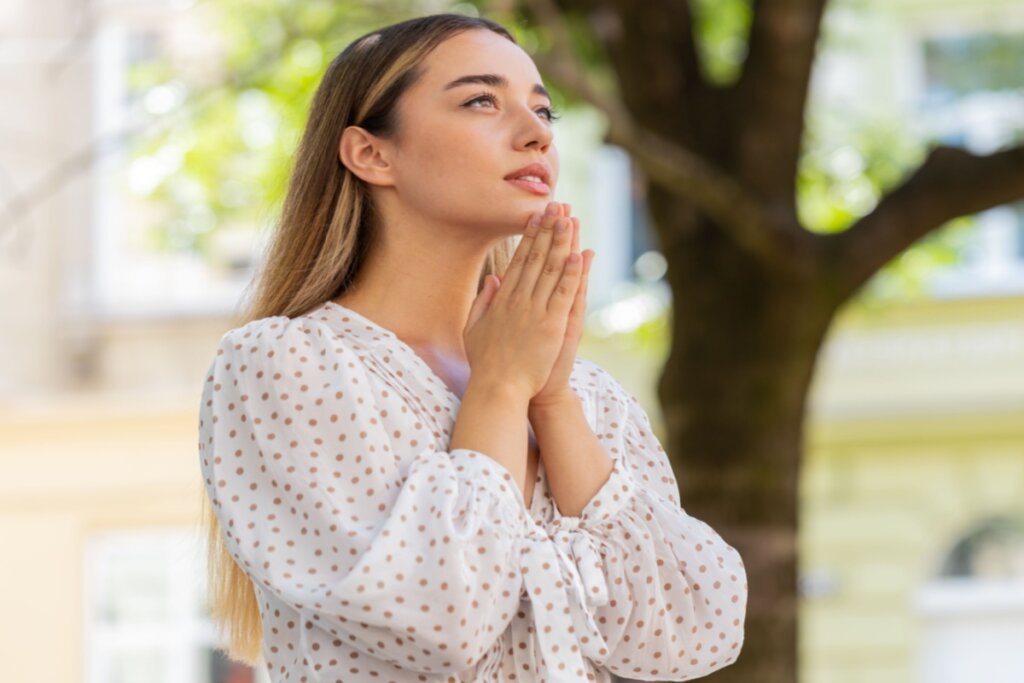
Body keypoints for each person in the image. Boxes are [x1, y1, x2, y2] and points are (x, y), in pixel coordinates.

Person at [197, 12, 746, 683]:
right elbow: (441, 619)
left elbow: (693, 633)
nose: (536, 132)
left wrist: (551, 399)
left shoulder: (589, 394)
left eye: (544, 111)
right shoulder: (283, 365)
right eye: (481, 101)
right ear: (371, 153)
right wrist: (500, 389)